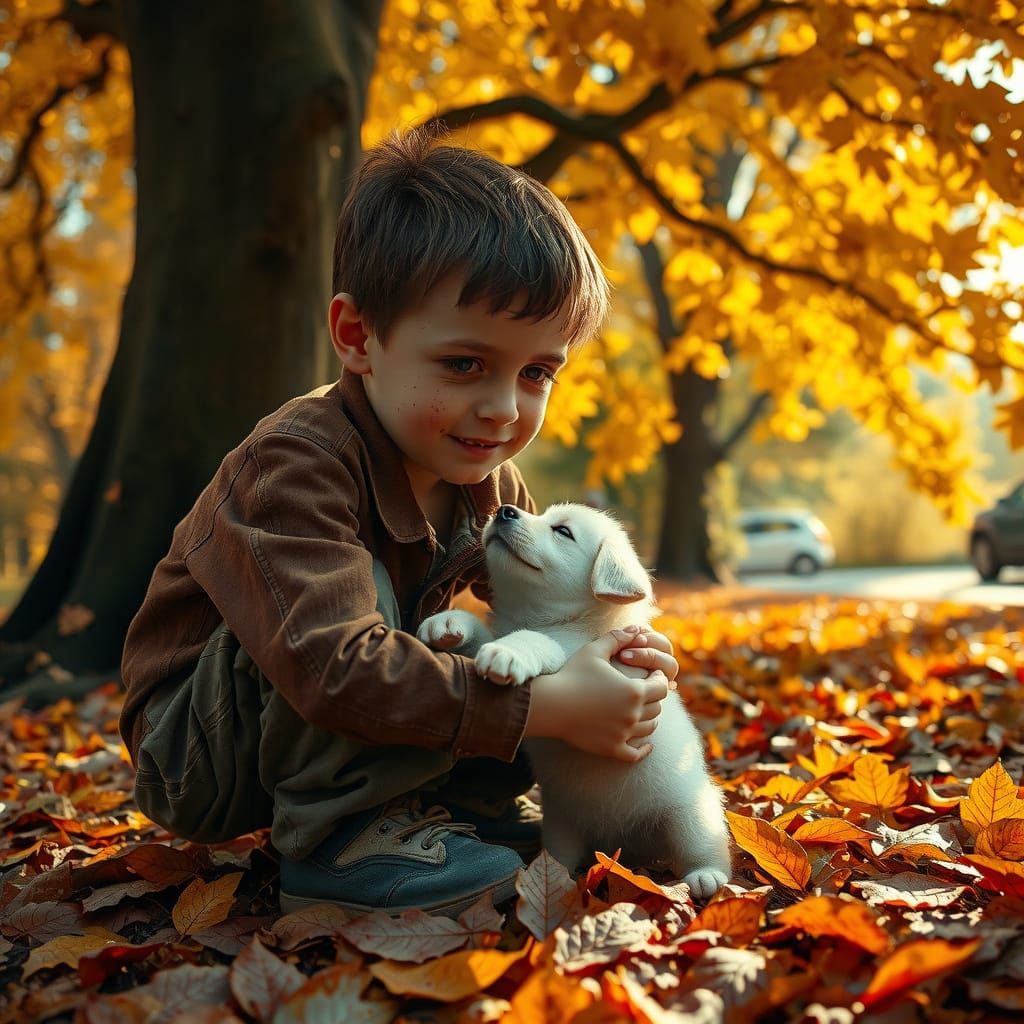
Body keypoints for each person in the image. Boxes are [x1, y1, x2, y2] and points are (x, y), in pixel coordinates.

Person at [119, 127, 677, 918]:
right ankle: (340, 840)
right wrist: (551, 708)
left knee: (500, 637)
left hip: (330, 712)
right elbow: (330, 666)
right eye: (464, 364)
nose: (502, 407)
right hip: (202, 747)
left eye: (536, 373)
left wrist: (619, 651)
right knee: (366, 601)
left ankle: (462, 804)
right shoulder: (296, 464)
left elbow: (558, 603)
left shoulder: (483, 478)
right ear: (358, 337)